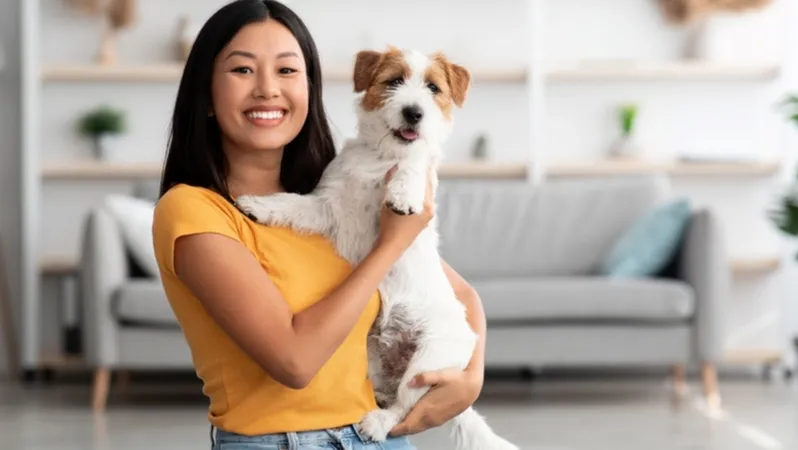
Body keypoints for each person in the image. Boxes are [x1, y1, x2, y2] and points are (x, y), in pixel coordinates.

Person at [151, 1, 488, 448]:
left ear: (310, 89)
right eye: (243, 70)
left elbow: (461, 295)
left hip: (380, 436)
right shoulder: (193, 212)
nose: (268, 89)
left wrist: (471, 380)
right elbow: (294, 362)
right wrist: (388, 245)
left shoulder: (336, 187)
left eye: (288, 71)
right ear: (205, 96)